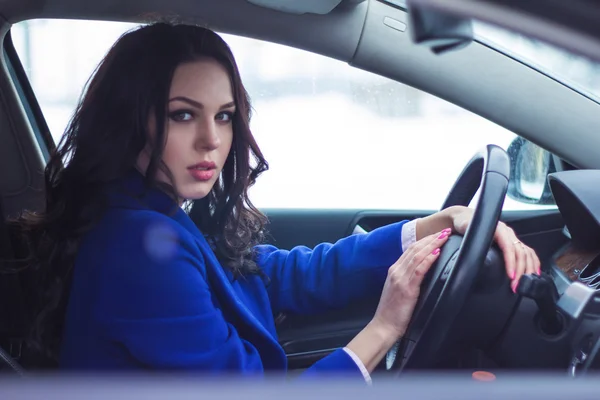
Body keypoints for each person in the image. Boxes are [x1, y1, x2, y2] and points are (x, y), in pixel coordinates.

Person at [11, 23, 540, 381]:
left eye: (223, 115)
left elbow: (280, 275)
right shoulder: (136, 248)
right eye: (182, 114)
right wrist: (383, 328)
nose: (212, 141)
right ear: (131, 122)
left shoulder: (151, 214)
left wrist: (435, 226)